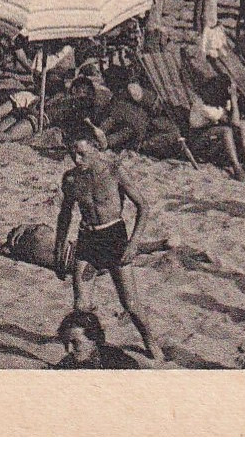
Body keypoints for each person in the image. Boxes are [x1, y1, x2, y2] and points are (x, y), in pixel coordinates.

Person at [52, 126, 162, 360]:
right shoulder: (71, 179)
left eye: (82, 153)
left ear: (95, 148)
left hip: (114, 237)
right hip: (87, 240)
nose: (76, 159)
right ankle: (87, 347)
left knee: (130, 304)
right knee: (81, 305)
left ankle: (149, 340)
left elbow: (143, 206)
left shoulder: (114, 171)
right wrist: (59, 247)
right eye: (73, 153)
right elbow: (65, 215)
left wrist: (133, 243)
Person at [54, 310, 145, 369]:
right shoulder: (65, 365)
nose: (69, 350)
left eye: (75, 343)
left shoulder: (121, 363)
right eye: (66, 343)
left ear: (93, 340)